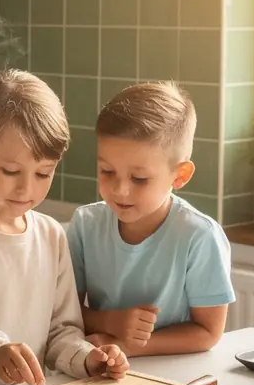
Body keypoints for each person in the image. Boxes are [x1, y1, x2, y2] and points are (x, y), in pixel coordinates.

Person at [0, 70, 128, 385]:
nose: (27, 188)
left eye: (43, 173)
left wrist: (87, 358)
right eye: (11, 171)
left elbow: (61, 332)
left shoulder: (51, 236)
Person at [65, 81, 236, 357]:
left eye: (139, 178)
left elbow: (208, 332)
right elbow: (62, 311)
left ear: (180, 175)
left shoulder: (199, 236)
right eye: (107, 171)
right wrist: (111, 322)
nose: (120, 190)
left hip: (176, 374)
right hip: (102, 367)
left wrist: (130, 346)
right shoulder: (85, 224)